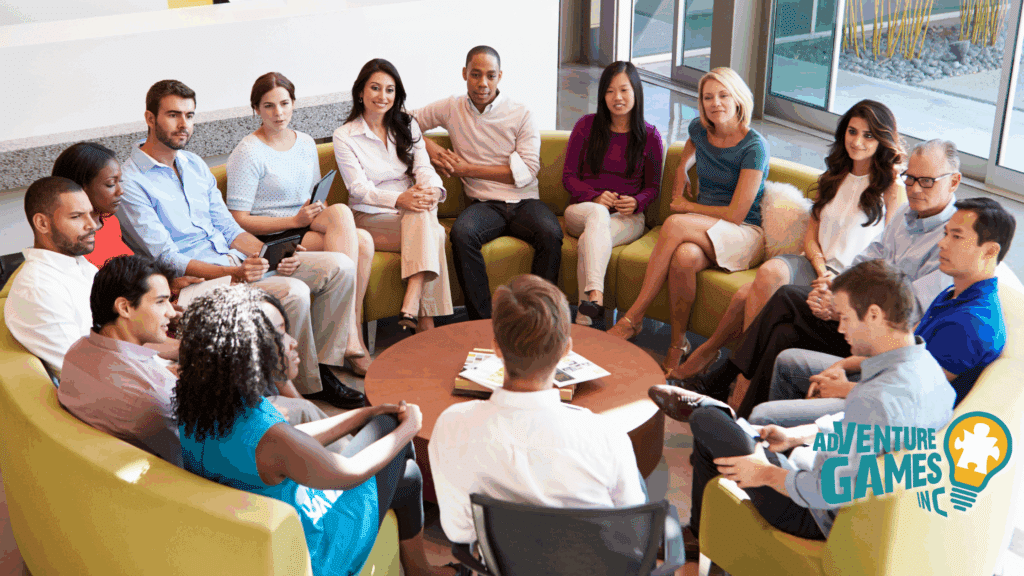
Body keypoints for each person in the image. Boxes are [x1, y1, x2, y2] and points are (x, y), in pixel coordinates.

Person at [651, 260, 955, 566]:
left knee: (707, 423)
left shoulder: (876, 398)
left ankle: (702, 536)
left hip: (813, 514)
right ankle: (717, 524)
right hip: (841, 486)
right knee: (739, 430)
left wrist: (766, 473)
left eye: (846, 317)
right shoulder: (927, 370)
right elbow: (870, 435)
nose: (840, 328)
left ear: (874, 315)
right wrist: (797, 435)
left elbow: (825, 491)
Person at [176, 285, 458, 576]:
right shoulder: (269, 436)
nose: (293, 342)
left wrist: (362, 414)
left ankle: (420, 571)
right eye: (281, 332)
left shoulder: (204, 410)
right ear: (248, 349)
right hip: (316, 552)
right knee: (392, 428)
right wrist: (408, 428)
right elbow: (347, 472)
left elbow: (289, 445)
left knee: (408, 474)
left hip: (259, 538)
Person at [117, 79, 365, 409]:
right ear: (150, 118)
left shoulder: (194, 165)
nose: (183, 125)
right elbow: (166, 256)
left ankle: (321, 367)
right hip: (195, 283)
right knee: (294, 292)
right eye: (173, 115)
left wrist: (272, 254)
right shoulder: (131, 180)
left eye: (190, 116)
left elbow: (231, 229)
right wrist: (233, 272)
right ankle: (306, 386)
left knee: (340, 267)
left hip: (233, 262)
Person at [686, 139, 963, 417]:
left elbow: (907, 311)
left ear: (953, 182)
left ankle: (721, 380)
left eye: (926, 181)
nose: (914, 188)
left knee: (786, 297)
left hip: (877, 337)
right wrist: (834, 291)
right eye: (910, 178)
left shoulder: (952, 241)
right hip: (857, 311)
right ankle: (743, 417)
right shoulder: (906, 215)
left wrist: (843, 307)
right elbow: (867, 261)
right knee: (783, 331)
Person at [668, 100, 905, 379]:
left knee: (746, 295)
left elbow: (888, 255)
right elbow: (811, 238)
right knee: (769, 273)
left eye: (869, 135)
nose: (858, 142)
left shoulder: (891, 188)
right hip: (813, 266)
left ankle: (723, 366)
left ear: (882, 138)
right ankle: (721, 365)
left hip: (852, 280)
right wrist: (820, 271)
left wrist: (838, 283)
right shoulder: (834, 176)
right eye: (852, 132)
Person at [749, 197, 1013, 427]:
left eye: (956, 237)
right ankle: (756, 443)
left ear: (989, 251)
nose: (942, 244)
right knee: (788, 358)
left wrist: (843, 389)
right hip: (884, 379)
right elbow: (899, 356)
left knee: (764, 415)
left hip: (892, 416)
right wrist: (841, 365)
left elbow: (914, 399)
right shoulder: (954, 293)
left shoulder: (971, 324)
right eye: (945, 233)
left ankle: (760, 455)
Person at [428, 274, 647, 545]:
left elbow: (459, 532)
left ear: (496, 347)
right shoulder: (607, 437)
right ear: (566, 349)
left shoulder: (452, 426)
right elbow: (631, 532)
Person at [607, 67, 769, 374]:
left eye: (723, 95)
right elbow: (690, 151)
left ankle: (633, 317)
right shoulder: (699, 129)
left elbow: (736, 213)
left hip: (743, 233)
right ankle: (677, 344)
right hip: (707, 231)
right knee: (683, 257)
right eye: (708, 97)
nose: (715, 103)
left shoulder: (754, 146)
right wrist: (682, 168)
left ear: (738, 99)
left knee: (675, 224)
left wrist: (684, 206)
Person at [228, 73, 374, 373]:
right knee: (363, 242)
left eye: (284, 103)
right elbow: (238, 220)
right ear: (256, 109)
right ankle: (351, 336)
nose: (278, 113)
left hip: (304, 222)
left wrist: (316, 211)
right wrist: (295, 219)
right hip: (275, 234)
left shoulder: (305, 143)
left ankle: (350, 331)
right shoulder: (248, 152)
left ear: (294, 103)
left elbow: (311, 197)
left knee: (344, 216)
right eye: (269, 106)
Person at [413, 45, 563, 320]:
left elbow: (529, 170)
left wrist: (468, 168)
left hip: (525, 201)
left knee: (551, 234)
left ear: (500, 77)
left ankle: (541, 316)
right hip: (484, 205)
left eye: (490, 76)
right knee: (462, 234)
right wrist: (430, 148)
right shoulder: (451, 107)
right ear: (464, 74)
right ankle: (481, 321)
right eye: (476, 74)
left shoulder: (521, 113)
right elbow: (404, 121)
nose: (483, 83)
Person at [333, 59, 452, 333]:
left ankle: (414, 310)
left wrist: (433, 190)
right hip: (370, 216)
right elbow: (358, 189)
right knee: (436, 233)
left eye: (389, 90)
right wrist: (399, 200)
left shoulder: (407, 124)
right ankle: (425, 321)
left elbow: (424, 167)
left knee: (423, 214)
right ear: (360, 92)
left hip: (411, 211)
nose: (382, 96)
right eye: (375, 88)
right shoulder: (345, 136)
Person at [562, 61, 663, 326]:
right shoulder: (586, 127)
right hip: (582, 210)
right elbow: (568, 177)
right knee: (597, 215)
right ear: (602, 96)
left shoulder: (650, 136)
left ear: (636, 92)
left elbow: (653, 188)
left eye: (624, 90)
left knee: (591, 241)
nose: (617, 98)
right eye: (609, 91)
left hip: (627, 219)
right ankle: (596, 295)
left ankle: (586, 316)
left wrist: (637, 201)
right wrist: (594, 196)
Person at [58, 255, 182, 465]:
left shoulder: (78, 351)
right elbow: (195, 462)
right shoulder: (155, 398)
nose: (171, 312)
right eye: (161, 301)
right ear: (124, 308)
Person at [52, 141, 204, 292]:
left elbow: (134, 282)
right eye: (111, 184)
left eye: (120, 181)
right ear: (80, 188)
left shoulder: (110, 221)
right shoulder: (75, 243)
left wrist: (170, 286)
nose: (121, 191)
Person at [4, 177, 97, 379]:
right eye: (76, 217)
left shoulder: (80, 265)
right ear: (42, 223)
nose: (92, 225)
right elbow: (85, 371)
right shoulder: (38, 288)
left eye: (91, 214)